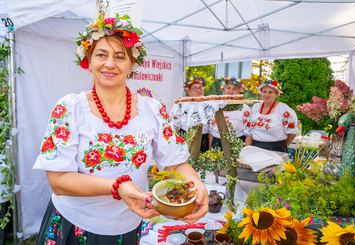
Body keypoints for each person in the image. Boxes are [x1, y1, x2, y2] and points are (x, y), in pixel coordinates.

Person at [33, 14, 208, 245]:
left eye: (119, 56)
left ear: (132, 64)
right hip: (74, 224)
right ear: (88, 61)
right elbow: (58, 180)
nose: (110, 64)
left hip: (127, 226)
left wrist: (198, 187)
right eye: (101, 55)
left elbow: (175, 162)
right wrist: (117, 187)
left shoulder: (152, 109)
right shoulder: (69, 108)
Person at [245, 79, 298, 152]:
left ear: (276, 94)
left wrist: (282, 147)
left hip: (276, 149)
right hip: (255, 148)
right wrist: (247, 151)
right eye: (264, 91)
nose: (266, 95)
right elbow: (249, 133)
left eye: (270, 92)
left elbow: (292, 133)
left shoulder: (283, 109)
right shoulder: (255, 107)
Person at [209, 77, 251, 149]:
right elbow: (211, 132)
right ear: (223, 89)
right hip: (216, 143)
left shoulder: (244, 108)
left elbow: (249, 134)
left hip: (236, 144)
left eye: (234, 89)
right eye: (228, 88)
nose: (231, 91)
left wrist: (246, 153)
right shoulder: (214, 106)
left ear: (239, 92)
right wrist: (210, 149)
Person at [171, 77, 209, 152]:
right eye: (195, 88)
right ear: (189, 91)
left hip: (203, 139)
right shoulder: (181, 103)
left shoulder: (210, 104)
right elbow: (174, 125)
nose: (198, 90)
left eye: (200, 87)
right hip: (185, 137)